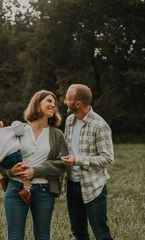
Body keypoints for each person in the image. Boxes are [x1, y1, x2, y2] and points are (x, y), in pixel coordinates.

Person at [0, 90, 68, 240]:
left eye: (55, 103)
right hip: (16, 188)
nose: (53, 105)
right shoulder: (18, 130)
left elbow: (62, 164)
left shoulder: (57, 134)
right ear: (37, 103)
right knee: (14, 237)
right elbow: (0, 163)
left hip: (44, 191)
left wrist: (34, 171)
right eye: (49, 101)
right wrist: (11, 172)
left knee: (43, 237)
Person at [61, 84, 114, 240]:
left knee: (101, 234)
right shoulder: (70, 120)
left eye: (68, 98)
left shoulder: (100, 125)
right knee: (79, 234)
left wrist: (77, 160)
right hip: (72, 184)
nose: (65, 101)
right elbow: (67, 148)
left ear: (77, 104)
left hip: (93, 187)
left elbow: (107, 158)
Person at [0, 116, 31, 204]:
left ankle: (5, 178)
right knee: (25, 170)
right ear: (1, 124)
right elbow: (20, 131)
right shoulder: (6, 130)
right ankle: (26, 189)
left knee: (9, 168)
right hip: (14, 156)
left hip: (1, 161)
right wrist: (17, 123)